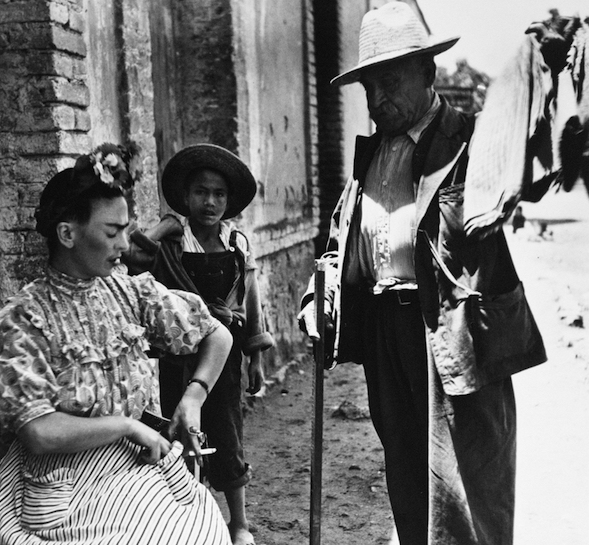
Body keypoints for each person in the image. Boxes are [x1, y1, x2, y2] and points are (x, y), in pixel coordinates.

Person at [298, 3, 546, 545]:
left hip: (455, 332)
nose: (378, 99)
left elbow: (536, 161)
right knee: (407, 479)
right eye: (369, 88)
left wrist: (539, 72)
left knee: (466, 488)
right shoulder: (372, 155)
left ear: (428, 73)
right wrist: (319, 295)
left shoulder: (473, 140)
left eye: (390, 82)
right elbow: (345, 242)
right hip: (388, 332)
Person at [0, 143, 234, 544]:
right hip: (65, 485)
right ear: (68, 234)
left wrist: (194, 396)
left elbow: (217, 333)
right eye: (113, 231)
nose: (126, 244)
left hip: (138, 465)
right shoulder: (22, 320)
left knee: (198, 529)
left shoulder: (130, 293)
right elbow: (39, 432)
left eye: (126, 229)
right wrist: (126, 425)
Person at [121, 143, 274, 545]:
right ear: (186, 198)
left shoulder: (237, 242)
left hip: (225, 352)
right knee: (180, 427)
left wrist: (256, 356)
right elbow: (132, 260)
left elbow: (251, 299)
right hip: (179, 353)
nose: (210, 202)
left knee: (226, 428)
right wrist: (162, 229)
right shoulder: (174, 241)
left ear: (229, 200)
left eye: (219, 194)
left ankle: (238, 523)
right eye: (201, 193)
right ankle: (191, 518)